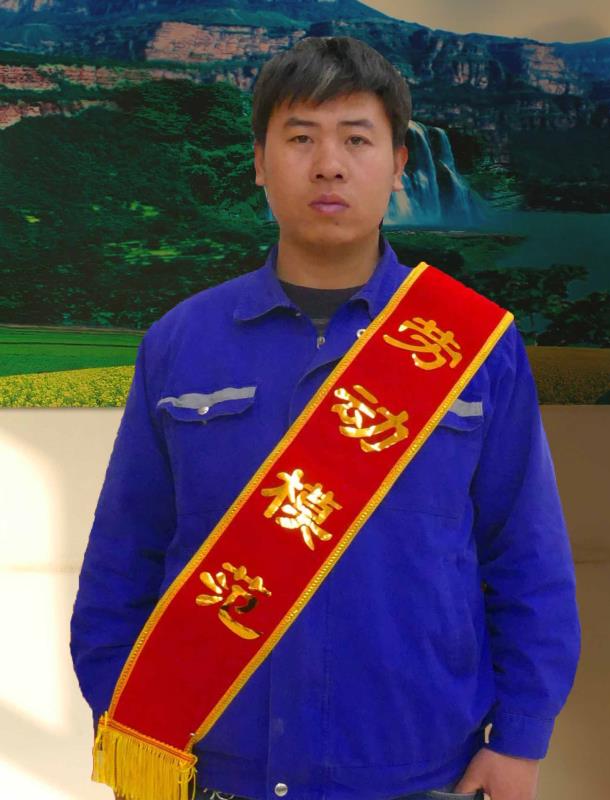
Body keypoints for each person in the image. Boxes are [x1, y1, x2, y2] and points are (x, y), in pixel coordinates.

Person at [69, 35, 581, 800]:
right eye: (301, 138)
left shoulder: (473, 345)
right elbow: (124, 558)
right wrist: (128, 725)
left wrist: (521, 740)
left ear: (399, 162)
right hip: (214, 769)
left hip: (423, 770)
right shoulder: (179, 343)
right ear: (259, 161)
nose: (329, 165)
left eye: (356, 139)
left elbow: (526, 557)